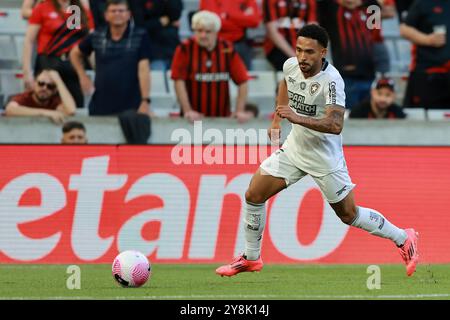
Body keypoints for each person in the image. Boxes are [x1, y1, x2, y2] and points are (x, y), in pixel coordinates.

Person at [215, 24, 419, 278]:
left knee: (348, 214)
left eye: (309, 52)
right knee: (254, 194)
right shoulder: (291, 66)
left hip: (325, 157)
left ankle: (403, 237)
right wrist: (278, 120)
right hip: (294, 150)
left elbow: (335, 125)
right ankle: (250, 258)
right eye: (299, 50)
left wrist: (296, 118)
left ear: (323, 52)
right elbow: (285, 84)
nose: (302, 57)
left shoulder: (332, 81)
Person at [70, 0, 155, 116]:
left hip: (131, 107)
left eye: (121, 11)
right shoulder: (97, 35)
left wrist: (145, 101)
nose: (117, 14)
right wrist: (82, 76)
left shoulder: (140, 36)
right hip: (100, 105)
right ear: (106, 15)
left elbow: (144, 70)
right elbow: (74, 53)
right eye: (113, 11)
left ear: (129, 14)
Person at [171, 10, 251, 123]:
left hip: (222, 119)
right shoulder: (184, 49)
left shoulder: (227, 48)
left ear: (216, 32)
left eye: (208, 31)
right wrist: (187, 110)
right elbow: (178, 80)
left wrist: (239, 110)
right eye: (199, 31)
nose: (203, 35)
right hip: (192, 120)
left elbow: (243, 80)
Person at [22, 0, 94, 109]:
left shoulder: (80, 10)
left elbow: (90, 42)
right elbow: (29, 41)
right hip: (48, 62)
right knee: (45, 103)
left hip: (73, 65)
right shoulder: (43, 8)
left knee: (75, 105)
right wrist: (26, 72)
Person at [317, 0, 379, 109]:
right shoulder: (331, 9)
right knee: (348, 117)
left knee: (368, 119)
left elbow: (377, 7)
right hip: (346, 75)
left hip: (370, 73)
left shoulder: (370, 8)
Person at [399, 0, 450, 109]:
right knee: (421, 116)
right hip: (427, 73)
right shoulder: (423, 3)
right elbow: (404, 29)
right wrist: (428, 39)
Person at [200, 0, 261, 70]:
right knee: (219, 77)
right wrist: (242, 17)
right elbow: (213, 23)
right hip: (218, 45)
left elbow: (254, 21)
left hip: (241, 43)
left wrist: (228, 16)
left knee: (244, 78)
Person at [5, 69, 76, 124]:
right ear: (34, 84)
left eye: (50, 86)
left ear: (55, 91)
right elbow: (10, 110)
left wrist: (58, 81)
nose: (44, 88)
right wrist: (46, 113)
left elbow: (71, 111)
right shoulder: (26, 96)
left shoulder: (54, 101)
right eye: (41, 83)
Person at [263, 0, 317, 71]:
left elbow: (313, 29)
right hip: (278, 47)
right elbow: (272, 32)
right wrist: (295, 57)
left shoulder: (309, 1)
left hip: (303, 46)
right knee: (290, 66)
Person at [131, 0, 183, 71]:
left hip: (171, 46)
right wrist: (159, 22)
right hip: (153, 49)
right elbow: (140, 24)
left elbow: (175, 15)